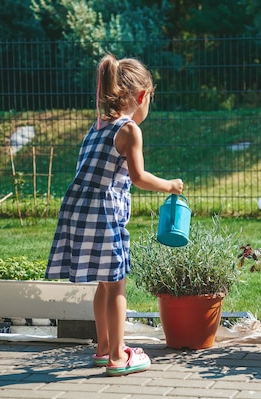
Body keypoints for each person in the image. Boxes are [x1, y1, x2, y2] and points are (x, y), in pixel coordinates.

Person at [46, 54, 183, 376]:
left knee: (104, 285)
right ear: (140, 96)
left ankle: (103, 347)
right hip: (103, 214)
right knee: (117, 285)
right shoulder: (129, 129)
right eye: (150, 98)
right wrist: (170, 185)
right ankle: (119, 357)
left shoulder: (96, 128)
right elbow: (138, 177)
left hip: (78, 210)